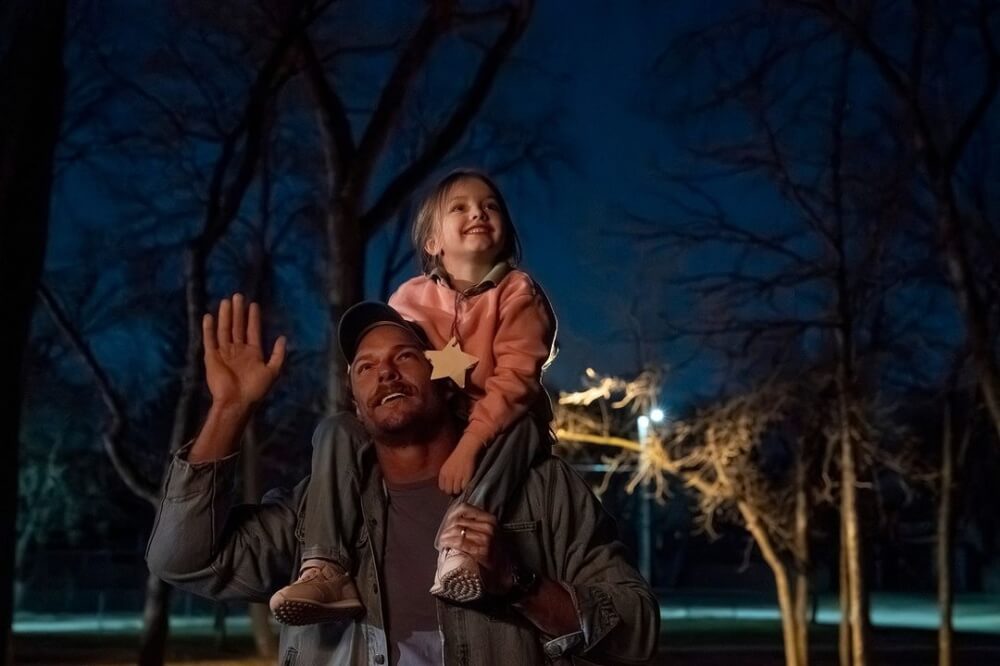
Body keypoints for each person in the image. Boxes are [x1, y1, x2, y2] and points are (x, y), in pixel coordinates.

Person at [146, 296, 659, 665]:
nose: (385, 373)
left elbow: (636, 630)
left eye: (405, 357)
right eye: (364, 367)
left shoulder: (540, 490)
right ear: (356, 405)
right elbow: (182, 559)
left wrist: (516, 582)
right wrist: (231, 410)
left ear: (445, 380)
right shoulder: (316, 509)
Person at [271, 169, 558, 623]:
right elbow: (389, 363)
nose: (477, 212)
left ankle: (462, 545)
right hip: (436, 419)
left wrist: (470, 443)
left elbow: (517, 378)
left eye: (490, 205)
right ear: (432, 243)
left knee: (524, 427)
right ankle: (326, 565)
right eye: (459, 207)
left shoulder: (518, 293)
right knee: (336, 429)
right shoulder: (409, 298)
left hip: (500, 421)